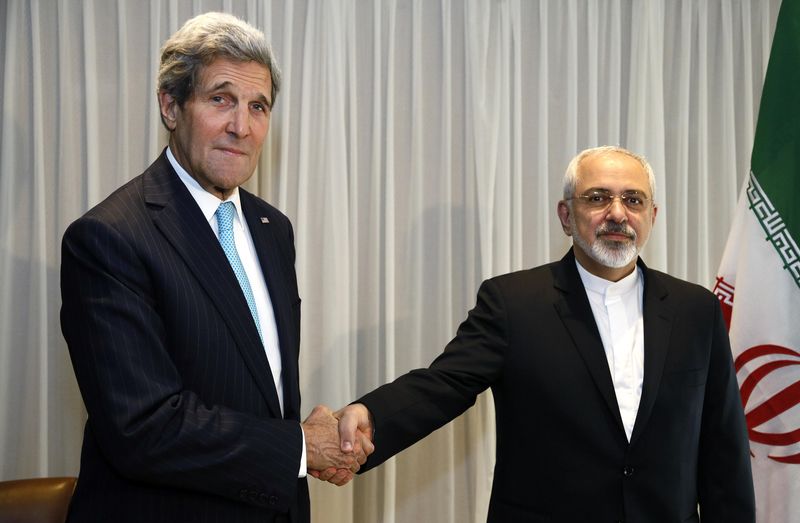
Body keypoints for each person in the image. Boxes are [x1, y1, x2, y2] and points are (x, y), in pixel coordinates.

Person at [334, 146, 756, 521]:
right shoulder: (513, 302)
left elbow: (723, 448)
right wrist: (370, 416)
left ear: (652, 216)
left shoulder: (697, 310)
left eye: (633, 199)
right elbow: (445, 384)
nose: (617, 212)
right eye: (597, 198)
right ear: (566, 216)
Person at [60, 12, 369, 523]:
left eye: (258, 106)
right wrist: (297, 447)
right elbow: (144, 427)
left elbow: (253, 381)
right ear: (171, 106)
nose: (240, 127)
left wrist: (307, 433)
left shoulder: (274, 227)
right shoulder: (109, 236)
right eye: (220, 99)